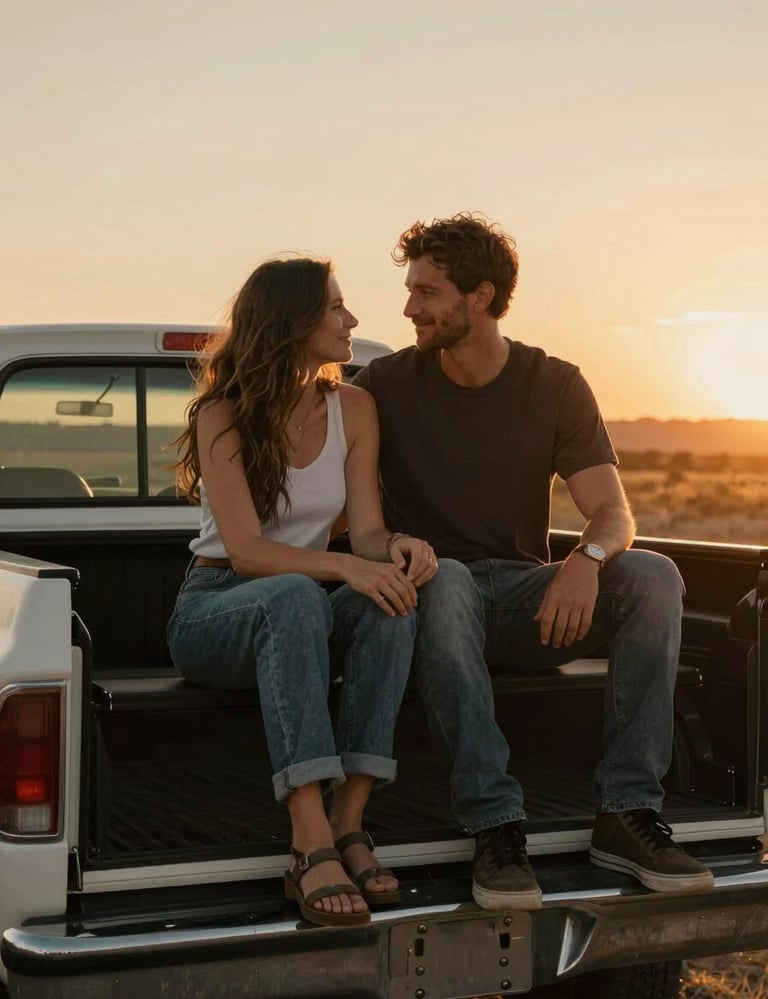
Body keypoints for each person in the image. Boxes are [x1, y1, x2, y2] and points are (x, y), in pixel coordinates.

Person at [354, 213, 715, 910]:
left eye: (426, 292)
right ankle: (495, 823)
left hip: (527, 602)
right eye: (410, 290)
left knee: (653, 574)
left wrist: (587, 558)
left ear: (480, 297)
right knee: (449, 578)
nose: (408, 308)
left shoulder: (554, 383)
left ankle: (628, 812)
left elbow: (614, 514)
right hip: (433, 596)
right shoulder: (383, 384)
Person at [167, 256, 438, 928]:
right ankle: (308, 841)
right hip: (215, 608)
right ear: (292, 320)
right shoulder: (223, 414)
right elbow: (247, 550)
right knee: (294, 594)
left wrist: (397, 549)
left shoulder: (355, 408)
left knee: (389, 598)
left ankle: (350, 822)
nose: (352, 320)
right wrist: (344, 568)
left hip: (303, 603)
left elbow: (366, 532)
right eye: (336, 307)